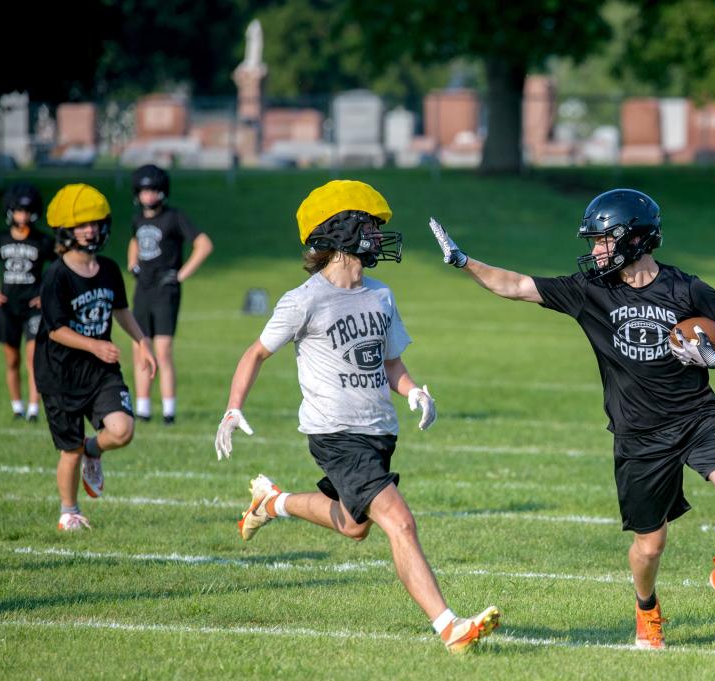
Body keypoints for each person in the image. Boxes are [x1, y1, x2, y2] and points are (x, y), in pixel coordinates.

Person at [429, 189, 715, 650]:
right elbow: (514, 285)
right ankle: (647, 610)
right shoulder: (592, 291)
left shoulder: (687, 288)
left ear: (634, 239)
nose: (594, 251)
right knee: (650, 546)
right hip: (639, 434)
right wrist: (465, 261)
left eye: (603, 241)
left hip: (697, 417)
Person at [214, 180, 500, 653]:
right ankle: (450, 627)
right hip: (334, 433)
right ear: (340, 231)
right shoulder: (304, 299)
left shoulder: (381, 294)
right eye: (369, 224)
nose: (377, 234)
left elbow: (390, 362)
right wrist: (233, 407)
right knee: (399, 522)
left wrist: (413, 392)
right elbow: (255, 353)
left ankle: (271, 502)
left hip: (377, 432)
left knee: (354, 525)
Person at [35, 183, 157, 531]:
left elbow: (121, 309)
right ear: (66, 229)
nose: (90, 229)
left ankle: (94, 448)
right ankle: (69, 511)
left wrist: (142, 343)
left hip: (100, 370)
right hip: (59, 373)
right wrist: (95, 345)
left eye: (95, 222)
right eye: (82, 224)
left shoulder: (108, 268)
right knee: (68, 450)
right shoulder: (57, 275)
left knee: (122, 430)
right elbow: (56, 329)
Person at [127, 164, 213, 425]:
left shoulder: (174, 217)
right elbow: (134, 241)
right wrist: (132, 264)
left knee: (162, 351)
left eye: (153, 190)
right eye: (144, 191)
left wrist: (181, 274)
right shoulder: (138, 219)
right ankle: (142, 409)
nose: (148, 195)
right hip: (142, 289)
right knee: (140, 348)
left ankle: (168, 410)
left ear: (162, 191)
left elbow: (204, 244)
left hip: (166, 291)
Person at [0, 183, 56, 422]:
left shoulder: (42, 240)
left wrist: (46, 295)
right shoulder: (0, 238)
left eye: (27, 211)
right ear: (10, 211)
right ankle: (17, 406)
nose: (23, 215)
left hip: (33, 309)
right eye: (19, 210)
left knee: (33, 358)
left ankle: (33, 409)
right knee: (12, 359)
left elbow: (59, 267)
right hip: (7, 308)